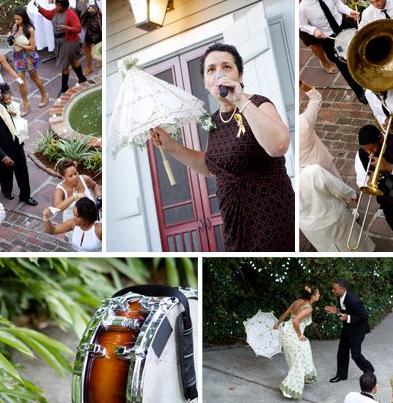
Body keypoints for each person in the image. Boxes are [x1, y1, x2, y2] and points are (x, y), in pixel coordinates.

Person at [150, 43, 294, 251]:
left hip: (268, 212)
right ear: (206, 83)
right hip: (233, 218)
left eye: (226, 67)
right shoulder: (215, 121)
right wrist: (170, 145)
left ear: (240, 76)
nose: (219, 74)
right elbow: (210, 167)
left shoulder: (259, 103)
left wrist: (240, 100)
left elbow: (278, 146)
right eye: (211, 69)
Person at [298, 0, 366, 103]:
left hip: (343, 27)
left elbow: (338, 4)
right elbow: (302, 26)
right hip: (329, 39)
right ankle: (359, 92)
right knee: (345, 67)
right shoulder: (302, 8)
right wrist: (314, 30)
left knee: (360, 54)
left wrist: (349, 12)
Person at [0, 84, 37, 205]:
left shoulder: (2, 101)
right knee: (6, 172)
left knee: (22, 171)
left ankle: (25, 196)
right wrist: (3, 157)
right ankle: (6, 191)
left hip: (16, 144)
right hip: (3, 151)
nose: (0, 91)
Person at [299, 163, 375, 252]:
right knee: (356, 243)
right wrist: (353, 195)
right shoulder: (313, 171)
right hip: (334, 217)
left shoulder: (284, 187)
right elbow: (338, 187)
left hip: (310, 227)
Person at [272, 285, 319, 399]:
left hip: (286, 331)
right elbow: (295, 321)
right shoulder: (308, 308)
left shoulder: (297, 302)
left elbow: (285, 314)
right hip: (292, 334)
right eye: (318, 294)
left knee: (305, 348)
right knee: (297, 360)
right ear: (312, 296)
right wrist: (300, 335)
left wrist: (277, 323)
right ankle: (290, 387)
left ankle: (305, 376)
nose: (319, 295)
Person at [324, 279, 374, 382]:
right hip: (347, 329)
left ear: (343, 289)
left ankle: (369, 370)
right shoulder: (340, 297)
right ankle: (341, 375)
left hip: (357, 331)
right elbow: (344, 314)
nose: (333, 291)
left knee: (356, 355)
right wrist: (337, 312)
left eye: (335, 289)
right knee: (342, 352)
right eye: (333, 288)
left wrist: (349, 318)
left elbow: (364, 317)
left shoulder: (353, 300)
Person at [36, 0, 86, 97]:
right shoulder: (55, 11)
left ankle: (64, 87)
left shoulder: (70, 13)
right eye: (56, 4)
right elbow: (47, 14)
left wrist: (66, 27)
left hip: (69, 42)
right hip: (59, 42)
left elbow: (78, 28)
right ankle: (81, 78)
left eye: (58, 5)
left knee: (64, 65)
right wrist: (39, 8)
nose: (56, 6)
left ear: (64, 6)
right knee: (73, 60)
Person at [8, 7, 49, 115]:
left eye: (18, 20)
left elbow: (32, 47)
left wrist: (18, 44)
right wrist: (11, 39)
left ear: (24, 18)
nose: (16, 22)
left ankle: (44, 94)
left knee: (34, 77)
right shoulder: (15, 27)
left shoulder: (30, 29)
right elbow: (14, 39)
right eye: (15, 19)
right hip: (18, 57)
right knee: (20, 81)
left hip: (29, 57)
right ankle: (26, 104)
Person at [298, 81, 340, 177]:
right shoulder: (303, 122)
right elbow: (316, 98)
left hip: (304, 179)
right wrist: (301, 84)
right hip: (323, 166)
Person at [53, 158, 101, 223]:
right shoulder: (60, 190)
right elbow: (57, 208)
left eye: (75, 173)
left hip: (93, 218)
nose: (75, 177)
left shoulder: (84, 179)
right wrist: (74, 197)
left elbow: (94, 186)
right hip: (74, 224)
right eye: (70, 176)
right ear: (63, 177)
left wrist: (99, 197)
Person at [73, 0, 101, 75]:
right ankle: (101, 61)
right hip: (85, 25)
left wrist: (89, 8)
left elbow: (94, 12)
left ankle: (89, 67)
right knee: (97, 43)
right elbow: (78, 11)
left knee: (86, 46)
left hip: (93, 24)